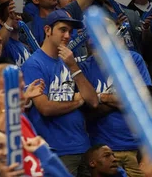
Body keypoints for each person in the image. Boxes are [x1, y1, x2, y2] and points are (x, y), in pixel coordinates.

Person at [22, 10, 99, 175]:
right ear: (47, 30)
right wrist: (78, 101)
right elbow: (45, 108)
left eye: (70, 32)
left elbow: (93, 100)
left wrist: (73, 66)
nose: (68, 35)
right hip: (56, 150)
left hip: (84, 146)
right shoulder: (33, 64)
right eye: (63, 30)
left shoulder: (69, 62)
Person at [80, 36, 151, 177]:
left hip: (137, 148)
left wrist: (102, 97)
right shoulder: (85, 67)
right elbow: (90, 110)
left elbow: (144, 100)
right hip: (104, 150)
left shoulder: (134, 60)